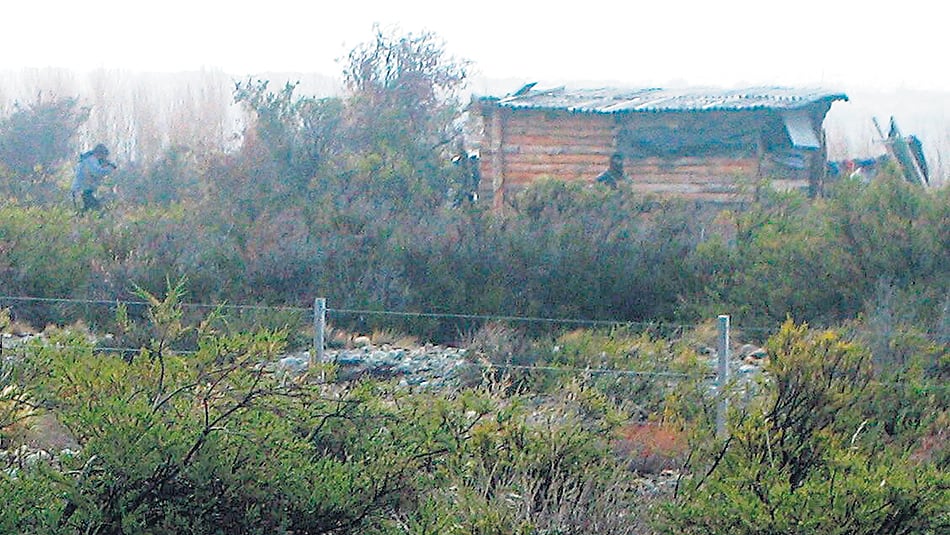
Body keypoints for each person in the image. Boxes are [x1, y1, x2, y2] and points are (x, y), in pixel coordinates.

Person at [71, 143, 116, 212]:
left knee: (86, 213)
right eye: (104, 157)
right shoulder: (90, 160)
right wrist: (110, 168)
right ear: (100, 154)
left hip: (82, 191)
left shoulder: (88, 159)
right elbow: (98, 172)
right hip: (81, 192)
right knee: (96, 211)